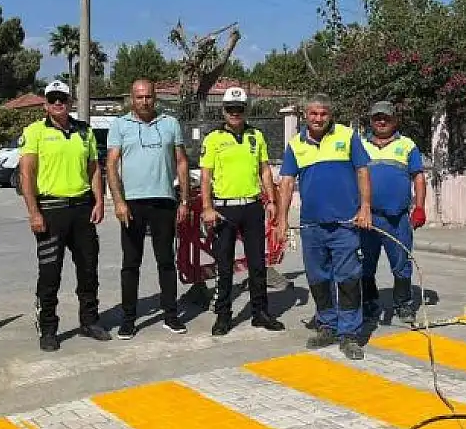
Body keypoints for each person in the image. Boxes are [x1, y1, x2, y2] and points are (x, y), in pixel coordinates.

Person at [274, 94, 372, 360]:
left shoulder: (347, 136)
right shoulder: (295, 145)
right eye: (313, 114)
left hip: (345, 224)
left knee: (349, 279)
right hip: (312, 225)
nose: (318, 119)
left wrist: (365, 208)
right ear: (306, 115)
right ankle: (328, 325)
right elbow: (285, 183)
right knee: (318, 278)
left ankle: (350, 333)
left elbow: (363, 171)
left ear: (331, 115)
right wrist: (282, 221)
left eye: (323, 114)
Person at [18, 80, 109, 352]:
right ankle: (48, 328)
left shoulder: (84, 131)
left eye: (63, 98)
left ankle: (89, 320)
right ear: (46, 104)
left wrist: (99, 201)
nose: (58, 103)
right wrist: (33, 212)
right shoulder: (35, 132)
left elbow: (94, 169)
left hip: (82, 209)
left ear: (70, 101)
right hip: (51, 210)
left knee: (88, 269)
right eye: (53, 98)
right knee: (50, 273)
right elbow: (27, 174)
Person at [105, 78, 190, 339]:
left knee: (166, 261)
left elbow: (181, 163)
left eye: (149, 97)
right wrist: (118, 201)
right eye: (139, 97)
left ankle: (171, 315)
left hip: (164, 201)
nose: (144, 101)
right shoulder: (120, 125)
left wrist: (184, 200)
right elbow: (110, 165)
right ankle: (129, 319)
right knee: (131, 263)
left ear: (155, 97)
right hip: (132, 203)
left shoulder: (170, 123)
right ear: (132, 98)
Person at [199, 87, 286, 336]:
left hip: (252, 207)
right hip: (224, 209)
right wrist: (206, 207)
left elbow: (265, 170)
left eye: (239, 109)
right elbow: (206, 176)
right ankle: (223, 315)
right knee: (224, 266)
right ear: (223, 110)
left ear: (245, 109)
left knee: (258, 263)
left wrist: (271, 201)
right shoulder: (213, 138)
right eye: (230, 109)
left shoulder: (256, 136)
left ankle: (260, 312)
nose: (235, 113)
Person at [359, 101, 427, 325]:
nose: (381, 121)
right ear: (371, 121)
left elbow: (418, 177)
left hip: (397, 218)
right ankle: (369, 303)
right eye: (377, 117)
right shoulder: (359, 145)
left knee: (401, 263)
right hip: (367, 217)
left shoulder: (407, 145)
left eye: (386, 117)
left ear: (394, 120)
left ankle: (403, 304)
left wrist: (419, 207)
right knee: (365, 264)